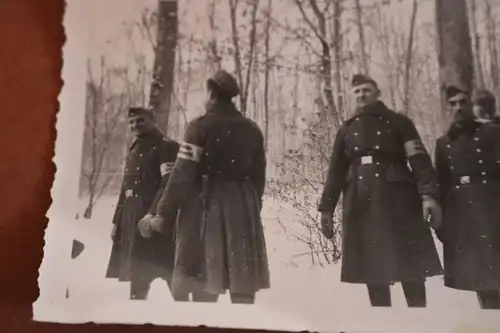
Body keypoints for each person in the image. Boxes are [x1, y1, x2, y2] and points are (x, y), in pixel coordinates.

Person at [137, 69, 270, 304]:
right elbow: (259, 177)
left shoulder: (199, 127)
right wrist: (251, 207)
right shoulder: (252, 130)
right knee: (242, 277)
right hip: (243, 206)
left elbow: (181, 174)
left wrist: (163, 216)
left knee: (204, 277)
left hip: (206, 207)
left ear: (211, 93)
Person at [318, 74, 443, 308]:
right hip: (361, 200)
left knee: (410, 264)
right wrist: (326, 208)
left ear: (377, 93)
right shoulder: (347, 129)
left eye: (366, 90)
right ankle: (382, 320)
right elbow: (336, 171)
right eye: (357, 92)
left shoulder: (399, 122)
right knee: (372, 267)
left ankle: (419, 319)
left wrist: (428, 195)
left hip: (398, 199)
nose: (361, 95)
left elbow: (418, 159)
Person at [105, 107, 181, 300]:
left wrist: (152, 214)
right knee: (136, 274)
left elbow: (168, 184)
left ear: (153, 120)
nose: (134, 125)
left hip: (155, 218)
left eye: (140, 121)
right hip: (132, 218)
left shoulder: (167, 146)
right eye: (131, 122)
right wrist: (117, 222)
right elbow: (125, 188)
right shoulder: (135, 148)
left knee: (168, 272)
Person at [434, 86, 500, 309]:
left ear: (471, 106)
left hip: (494, 208)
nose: (458, 108)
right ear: (446, 109)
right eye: (452, 104)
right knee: (481, 279)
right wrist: (442, 226)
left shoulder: (492, 133)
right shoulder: (443, 144)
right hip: (465, 216)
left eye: (462, 102)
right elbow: (441, 185)